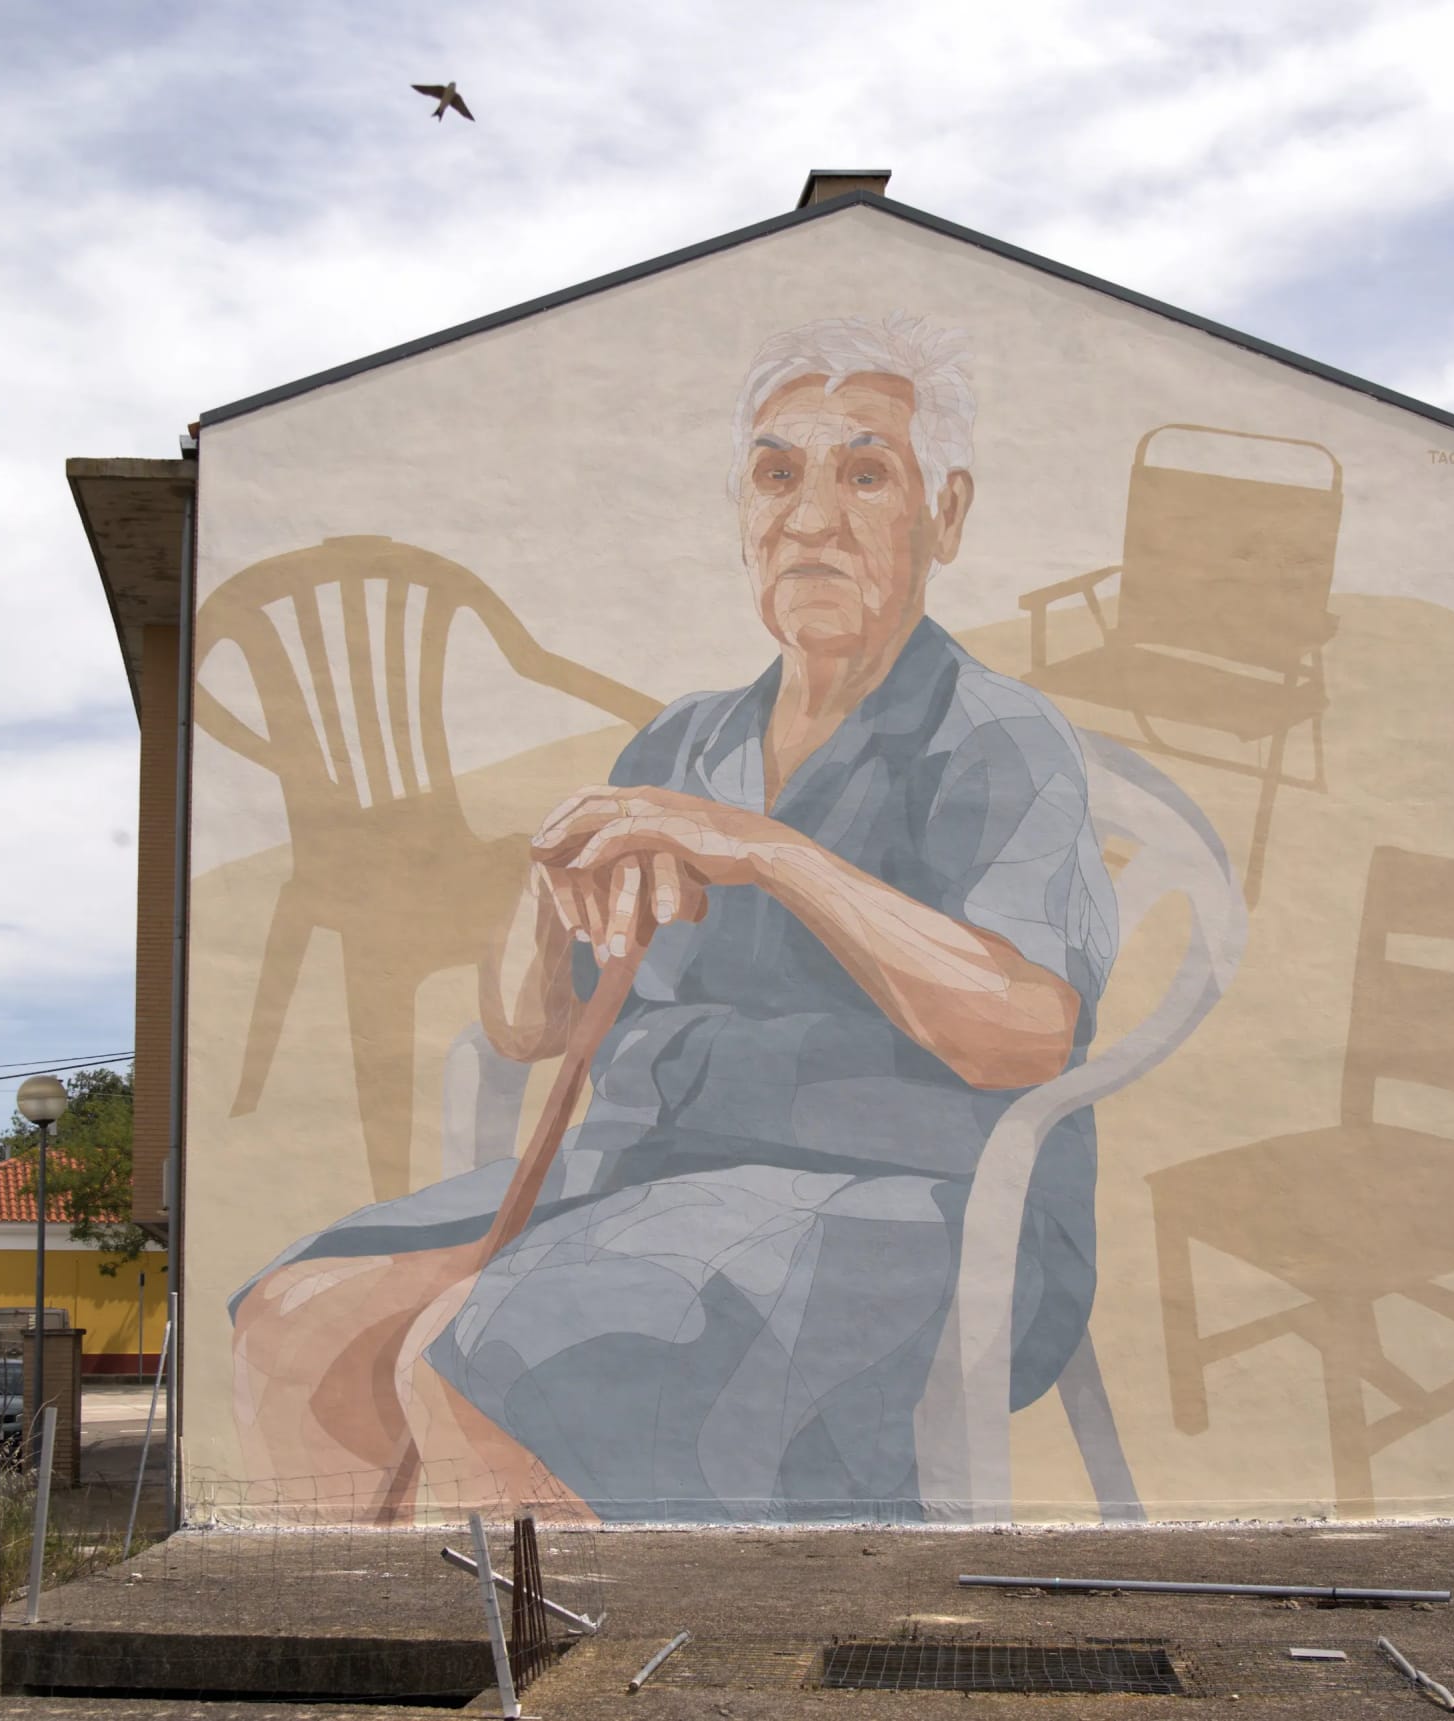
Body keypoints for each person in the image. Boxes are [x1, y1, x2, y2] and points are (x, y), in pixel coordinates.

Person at [230, 314, 1118, 1520]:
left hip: (913, 1200)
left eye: (865, 474)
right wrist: (548, 882)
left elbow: (1024, 1031)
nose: (810, 517)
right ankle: (382, 1635)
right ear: (742, 514)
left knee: (478, 1356)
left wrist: (768, 852)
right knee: (296, 1324)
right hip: (644, 1172)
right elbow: (527, 1027)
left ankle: (591, 1642)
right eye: (776, 474)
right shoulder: (683, 742)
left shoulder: (994, 735)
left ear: (944, 514)